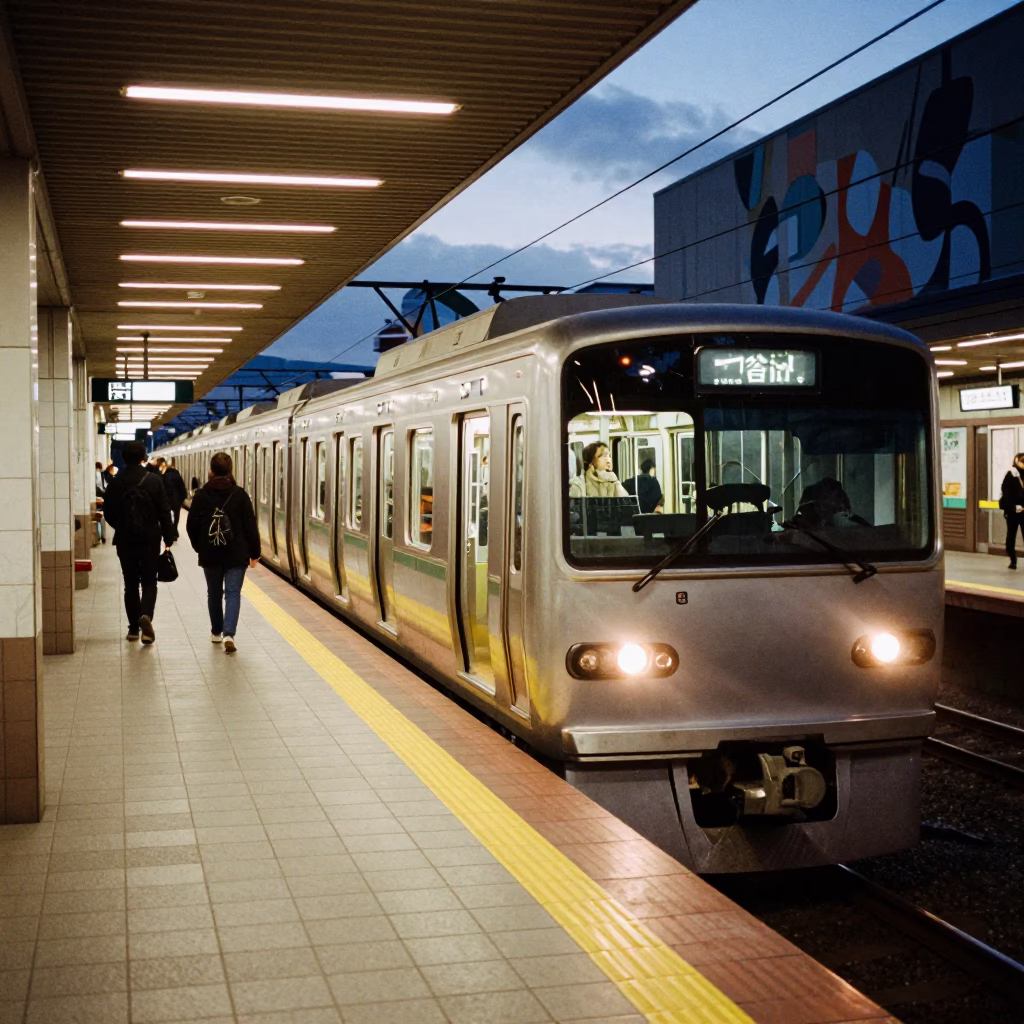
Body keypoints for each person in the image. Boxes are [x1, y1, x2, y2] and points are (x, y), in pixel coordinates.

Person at [102, 440, 176, 644]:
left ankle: (133, 629)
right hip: (150, 539)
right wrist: (168, 538)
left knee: (130, 584)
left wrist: (122, 526)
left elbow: (108, 512)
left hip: (125, 541)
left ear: (124, 457)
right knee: (149, 582)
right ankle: (146, 617)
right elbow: (164, 511)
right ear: (143, 457)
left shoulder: (116, 482)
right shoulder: (153, 480)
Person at [187, 452, 260, 654]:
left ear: (211, 471)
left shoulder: (201, 495)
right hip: (236, 554)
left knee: (214, 593)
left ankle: (216, 632)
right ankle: (229, 634)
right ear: (230, 470)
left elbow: (191, 525)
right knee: (233, 593)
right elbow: (250, 526)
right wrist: (255, 553)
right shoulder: (240, 495)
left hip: (210, 554)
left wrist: (199, 547)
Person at [999, 452, 1024, 570]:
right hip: (1013, 512)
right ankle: (1013, 560)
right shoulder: (1011, 474)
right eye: (1021, 461)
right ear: (1016, 461)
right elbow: (1006, 493)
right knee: (1011, 536)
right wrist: (1013, 507)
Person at [157, 457, 187, 529]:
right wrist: (182, 499)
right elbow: (182, 487)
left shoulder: (165, 476)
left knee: (169, 515)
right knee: (176, 516)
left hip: (169, 500)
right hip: (177, 499)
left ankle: (171, 530)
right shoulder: (176, 474)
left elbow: (164, 489)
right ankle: (175, 529)